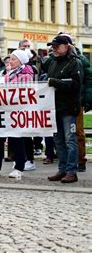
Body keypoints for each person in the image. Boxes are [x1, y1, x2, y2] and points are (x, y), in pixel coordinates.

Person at [0, 49, 34, 179]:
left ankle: (19, 167)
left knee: (17, 140)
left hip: (17, 111)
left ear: (20, 61)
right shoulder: (7, 73)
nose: (10, 61)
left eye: (13, 59)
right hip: (4, 110)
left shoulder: (26, 74)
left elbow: (22, 91)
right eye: (9, 58)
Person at [46, 35, 84, 183]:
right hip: (55, 107)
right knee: (59, 141)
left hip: (68, 108)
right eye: (53, 47)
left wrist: (56, 82)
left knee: (70, 140)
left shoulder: (75, 63)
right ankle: (62, 169)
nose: (54, 49)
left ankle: (71, 171)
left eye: (57, 46)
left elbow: (75, 85)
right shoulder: (53, 63)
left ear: (66, 46)